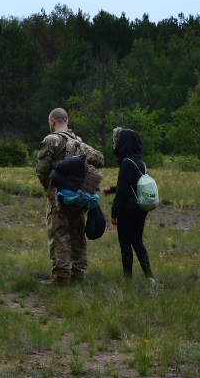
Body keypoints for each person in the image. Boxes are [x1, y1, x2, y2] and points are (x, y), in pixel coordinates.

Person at [35, 108, 104, 285]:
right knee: (77, 234)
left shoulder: (51, 140)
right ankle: (78, 273)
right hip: (78, 196)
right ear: (67, 120)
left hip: (58, 197)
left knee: (59, 235)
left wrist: (49, 188)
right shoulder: (79, 142)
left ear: (52, 121)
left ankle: (61, 277)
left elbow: (42, 170)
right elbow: (99, 159)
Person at [103, 127, 156, 284]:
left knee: (125, 245)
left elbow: (123, 192)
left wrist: (114, 213)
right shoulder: (140, 162)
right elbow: (132, 185)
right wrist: (112, 189)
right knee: (137, 242)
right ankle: (150, 276)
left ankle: (127, 279)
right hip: (140, 208)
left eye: (117, 141)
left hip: (127, 210)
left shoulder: (126, 162)